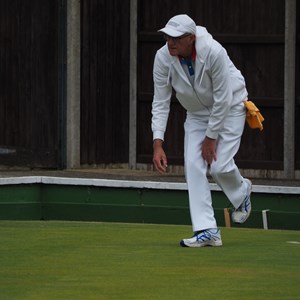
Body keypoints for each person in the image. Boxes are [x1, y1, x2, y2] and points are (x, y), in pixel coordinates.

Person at [151, 14, 252, 247]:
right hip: (196, 114)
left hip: (231, 106)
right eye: (167, 37)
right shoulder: (162, 58)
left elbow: (223, 98)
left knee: (219, 166)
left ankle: (242, 192)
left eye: (176, 38)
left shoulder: (214, 52)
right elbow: (160, 101)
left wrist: (211, 137)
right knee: (194, 167)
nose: (170, 43)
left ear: (191, 38)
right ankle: (207, 230)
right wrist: (158, 143)